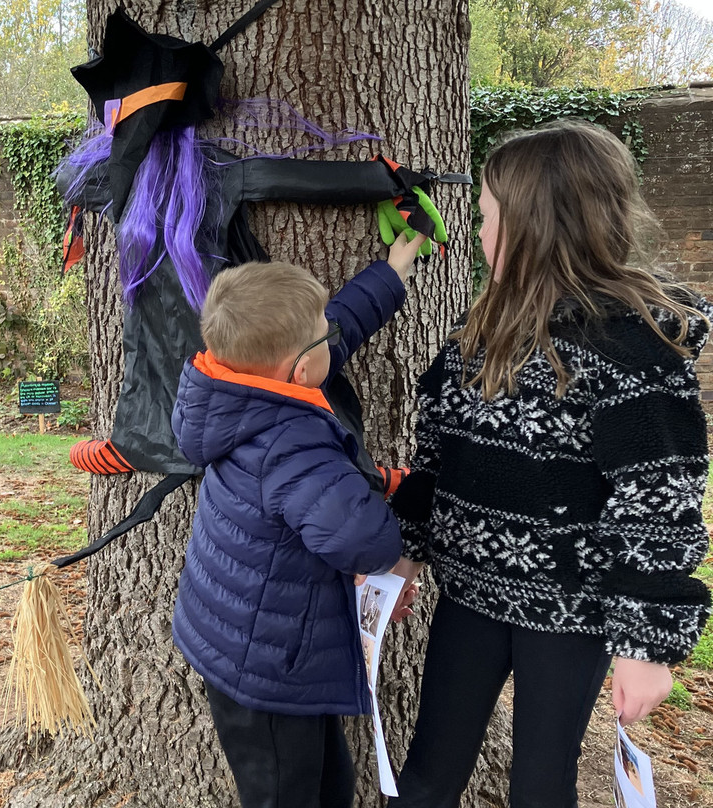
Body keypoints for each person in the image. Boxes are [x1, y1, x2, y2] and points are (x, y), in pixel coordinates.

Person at [386, 119, 713, 808]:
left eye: (486, 218)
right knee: (426, 773)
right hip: (469, 596)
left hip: (571, 613)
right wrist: (408, 549)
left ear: (536, 226)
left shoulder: (634, 356)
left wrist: (646, 643)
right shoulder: (476, 338)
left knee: (541, 783)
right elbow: (435, 456)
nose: (476, 233)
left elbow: (658, 504)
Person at [170, 231, 426, 808]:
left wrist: (391, 273)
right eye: (323, 337)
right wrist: (406, 533)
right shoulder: (293, 442)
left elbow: (334, 326)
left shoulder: (233, 390)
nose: (333, 334)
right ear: (304, 370)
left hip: (249, 644)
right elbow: (364, 538)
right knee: (286, 792)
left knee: (328, 783)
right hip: (267, 673)